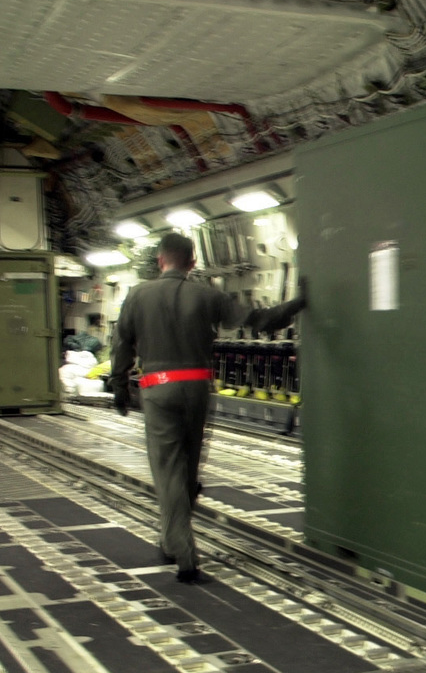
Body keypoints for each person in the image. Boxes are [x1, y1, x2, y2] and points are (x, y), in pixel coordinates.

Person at [109, 234, 306, 584]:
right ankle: (171, 539)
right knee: (186, 470)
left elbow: (122, 342)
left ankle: (183, 552)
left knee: (168, 468)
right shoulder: (206, 295)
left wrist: (120, 386)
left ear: (160, 261)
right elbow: (260, 320)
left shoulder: (137, 295)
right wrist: (298, 303)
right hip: (196, 388)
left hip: (157, 388)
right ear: (192, 262)